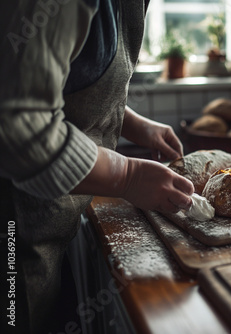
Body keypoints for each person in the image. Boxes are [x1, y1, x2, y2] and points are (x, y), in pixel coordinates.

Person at [0, 0, 194, 333]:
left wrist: (133, 123)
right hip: (14, 231)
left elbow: (65, 83)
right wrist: (126, 176)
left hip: (54, 223)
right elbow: (18, 124)